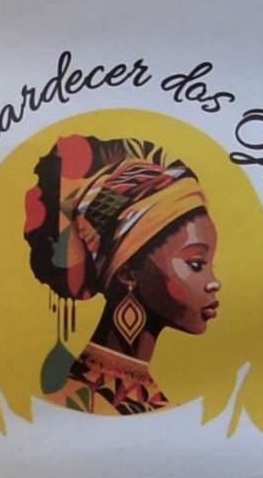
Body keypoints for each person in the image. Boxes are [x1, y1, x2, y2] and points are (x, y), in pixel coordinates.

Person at [23, 133, 221, 415]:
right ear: (127, 271)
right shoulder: (80, 400)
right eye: (197, 264)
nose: (215, 282)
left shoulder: (142, 398)